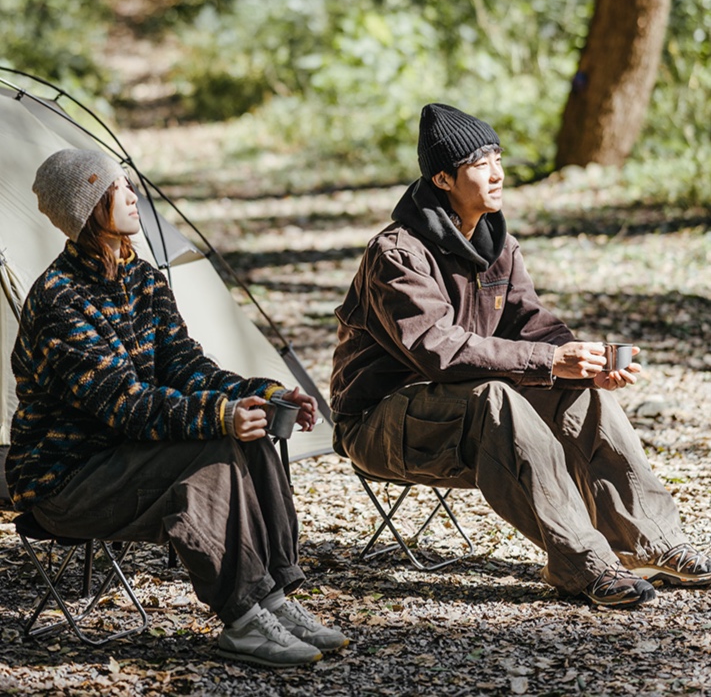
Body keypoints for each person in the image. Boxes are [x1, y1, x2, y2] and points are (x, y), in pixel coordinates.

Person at [330, 103, 711, 608]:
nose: (498, 172)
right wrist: (547, 362)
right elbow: (437, 351)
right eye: (480, 163)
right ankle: (582, 563)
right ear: (443, 178)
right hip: (381, 423)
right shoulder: (398, 253)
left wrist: (582, 360)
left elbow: (530, 324)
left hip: (460, 413)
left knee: (577, 393)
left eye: (498, 157)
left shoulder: (497, 243)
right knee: (497, 398)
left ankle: (651, 540)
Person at [6, 148, 348, 666]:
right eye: (119, 188)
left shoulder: (142, 279)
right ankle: (242, 620)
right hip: (67, 481)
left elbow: (189, 368)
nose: (132, 194)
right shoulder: (60, 301)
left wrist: (262, 393)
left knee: (249, 436)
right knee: (211, 459)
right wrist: (218, 415)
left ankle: (272, 598)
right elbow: (127, 405)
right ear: (90, 205)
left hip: (126, 458)